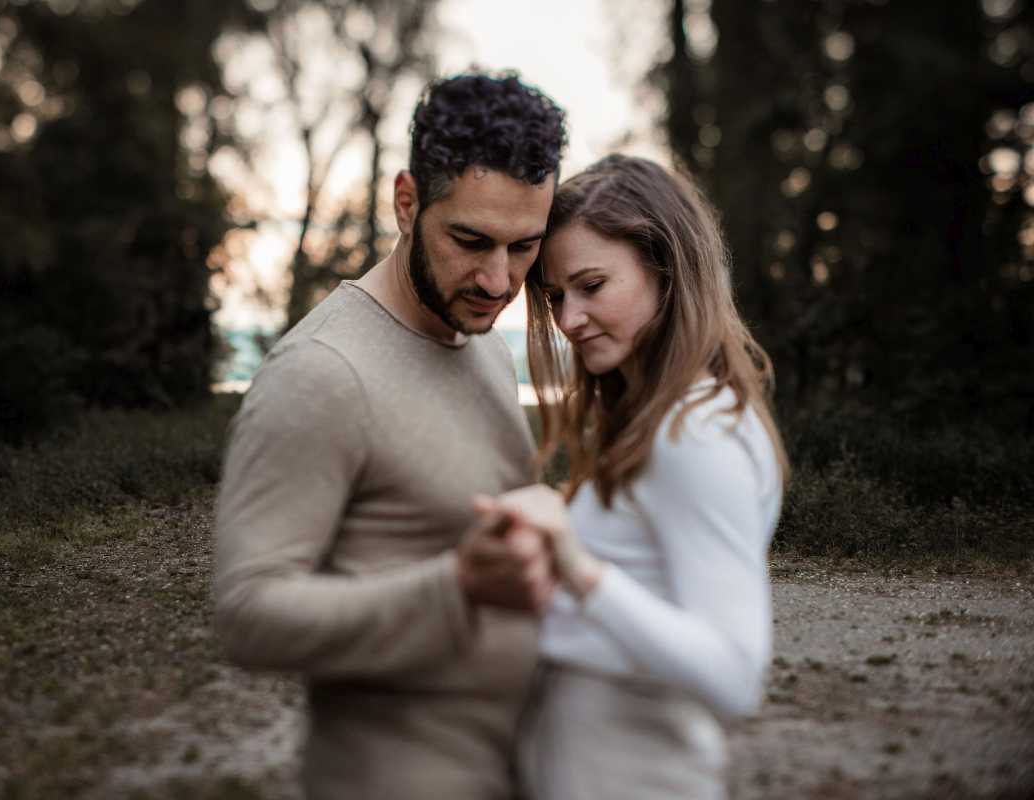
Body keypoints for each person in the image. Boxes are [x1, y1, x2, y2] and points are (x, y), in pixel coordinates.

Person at [213, 72, 568, 800]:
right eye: (470, 240)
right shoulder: (321, 374)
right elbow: (248, 615)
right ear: (406, 202)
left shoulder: (487, 349)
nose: (499, 281)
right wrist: (457, 585)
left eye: (525, 247)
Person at [480, 154, 789, 799]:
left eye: (592, 286)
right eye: (557, 295)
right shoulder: (662, 420)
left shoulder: (694, 433)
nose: (567, 321)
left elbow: (735, 675)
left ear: (667, 271)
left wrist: (577, 565)